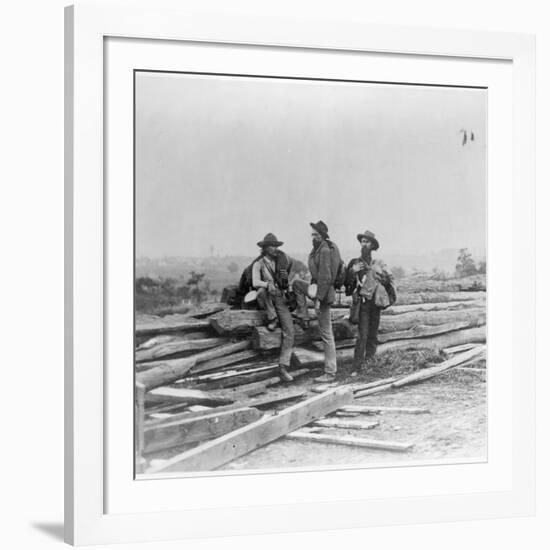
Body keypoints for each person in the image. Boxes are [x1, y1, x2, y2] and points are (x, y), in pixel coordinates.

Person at [293, 220, 341, 383]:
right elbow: (317, 274)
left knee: (326, 333)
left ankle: (330, 372)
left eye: (316, 234)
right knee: (297, 284)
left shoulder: (325, 250)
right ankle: (303, 315)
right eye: (312, 234)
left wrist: (319, 300)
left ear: (322, 235)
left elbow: (326, 277)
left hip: (324, 294)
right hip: (317, 288)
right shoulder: (317, 249)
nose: (313, 237)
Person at [344, 229, 396, 370]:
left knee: (373, 335)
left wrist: (379, 273)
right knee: (362, 336)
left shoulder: (379, 263)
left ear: (372, 246)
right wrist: (352, 271)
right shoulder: (355, 263)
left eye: (367, 242)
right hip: (363, 304)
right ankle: (357, 367)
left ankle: (370, 364)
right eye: (362, 242)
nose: (363, 244)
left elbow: (388, 282)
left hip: (376, 304)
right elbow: (347, 286)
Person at [252, 233, 295, 382]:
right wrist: (267, 284)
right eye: (271, 246)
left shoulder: (281, 261)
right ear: (264, 248)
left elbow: (289, 273)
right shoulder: (258, 264)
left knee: (289, 331)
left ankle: (283, 365)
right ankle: (272, 317)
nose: (274, 248)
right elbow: (255, 282)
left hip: (280, 298)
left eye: (275, 245)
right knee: (261, 291)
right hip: (267, 298)